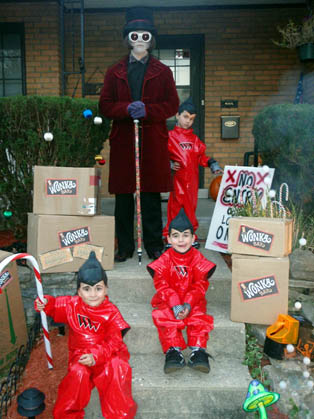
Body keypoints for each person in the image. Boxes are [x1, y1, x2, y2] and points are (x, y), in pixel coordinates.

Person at [99, 7, 179, 262]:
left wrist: (148, 110)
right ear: (128, 39)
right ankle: (124, 246)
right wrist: (125, 109)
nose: (140, 41)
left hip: (152, 141)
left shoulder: (163, 71)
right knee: (124, 198)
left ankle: (154, 244)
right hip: (124, 141)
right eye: (135, 36)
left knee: (150, 196)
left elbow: (172, 105)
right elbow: (105, 105)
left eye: (145, 37)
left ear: (151, 40)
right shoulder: (114, 72)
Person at [35, 251, 137, 419]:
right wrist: (44, 302)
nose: (93, 294)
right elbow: (53, 306)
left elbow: (114, 342)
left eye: (98, 288)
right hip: (80, 355)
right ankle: (67, 415)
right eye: (87, 289)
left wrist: (96, 356)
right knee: (77, 374)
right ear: (79, 291)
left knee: (118, 368)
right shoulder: (71, 305)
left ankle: (120, 415)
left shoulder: (111, 312)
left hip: (106, 355)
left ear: (106, 289)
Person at [147, 208, 216, 374]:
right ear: (169, 239)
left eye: (185, 235)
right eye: (176, 236)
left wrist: (188, 304)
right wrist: (175, 304)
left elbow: (200, 284)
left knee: (198, 318)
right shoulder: (164, 260)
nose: (181, 240)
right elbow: (162, 285)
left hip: (193, 300)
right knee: (166, 318)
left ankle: (198, 352)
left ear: (193, 238)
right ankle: (173, 352)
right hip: (169, 301)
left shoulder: (198, 258)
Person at [163, 97, 223, 245]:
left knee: (190, 210)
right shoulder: (169, 137)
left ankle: (190, 235)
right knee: (175, 209)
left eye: (191, 118)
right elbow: (161, 155)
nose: (188, 121)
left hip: (192, 183)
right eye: (185, 117)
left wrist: (212, 163)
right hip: (177, 181)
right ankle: (171, 235)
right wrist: (168, 163)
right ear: (177, 115)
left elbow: (201, 157)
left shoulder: (195, 140)